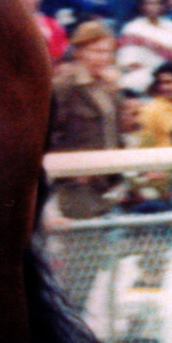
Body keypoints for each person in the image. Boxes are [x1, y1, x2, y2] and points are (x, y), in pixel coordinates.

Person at [46, 19, 122, 220]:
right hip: (76, 184)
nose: (102, 58)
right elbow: (49, 133)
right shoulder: (64, 87)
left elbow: (116, 130)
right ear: (78, 52)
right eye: (95, 51)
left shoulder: (109, 88)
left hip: (109, 180)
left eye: (107, 52)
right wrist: (71, 168)